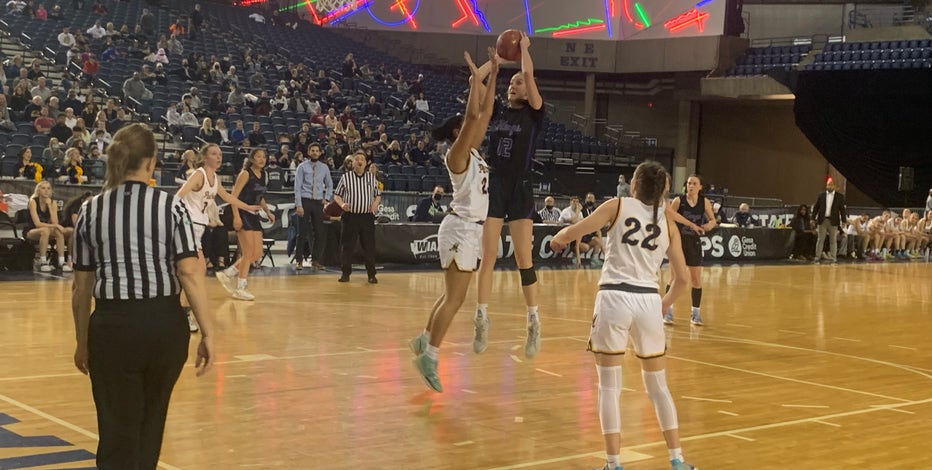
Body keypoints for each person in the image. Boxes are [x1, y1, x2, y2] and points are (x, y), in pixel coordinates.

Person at [70, 123, 214, 470]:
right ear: (150, 163)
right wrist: (208, 332)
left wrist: (82, 341)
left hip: (113, 327)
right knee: (151, 424)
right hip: (164, 327)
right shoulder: (172, 208)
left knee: (117, 429)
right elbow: (190, 273)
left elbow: (81, 287)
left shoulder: (91, 210)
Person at [549, 161, 696, 470]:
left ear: (634, 186)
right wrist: (664, 304)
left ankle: (614, 463)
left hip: (614, 296)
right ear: (663, 192)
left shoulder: (617, 205)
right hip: (647, 299)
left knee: (609, 387)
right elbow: (683, 279)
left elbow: (572, 231)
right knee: (658, 387)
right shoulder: (668, 222)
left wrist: (557, 240)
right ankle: (677, 460)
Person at [409, 49, 499, 393]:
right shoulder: (456, 153)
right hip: (461, 227)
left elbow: (486, 111)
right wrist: (477, 78)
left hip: (465, 229)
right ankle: (430, 355)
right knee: (456, 299)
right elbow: (474, 113)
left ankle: (424, 339)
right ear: (458, 131)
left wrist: (494, 73)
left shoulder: (474, 151)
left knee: (449, 295)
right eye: (467, 125)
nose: (476, 124)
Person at [475, 32, 545, 358]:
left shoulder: (533, 112)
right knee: (487, 256)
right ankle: (481, 317)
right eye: (511, 83)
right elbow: (475, 81)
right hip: (496, 184)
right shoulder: (499, 110)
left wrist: (524, 52)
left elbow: (529, 75)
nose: (512, 85)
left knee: (522, 259)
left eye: (517, 82)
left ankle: (533, 321)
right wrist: (495, 65)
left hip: (521, 186)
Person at [178, 144, 260, 326]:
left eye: (220, 154)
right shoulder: (198, 174)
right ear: (205, 157)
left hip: (199, 228)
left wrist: (248, 207)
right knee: (196, 273)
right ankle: (186, 314)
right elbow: (179, 195)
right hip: (189, 226)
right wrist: (179, 215)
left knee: (197, 273)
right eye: (214, 154)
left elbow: (228, 197)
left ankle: (184, 312)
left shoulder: (214, 178)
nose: (219, 157)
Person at [215, 149, 275, 300]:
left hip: (253, 213)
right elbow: (233, 196)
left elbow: (260, 197)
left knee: (257, 254)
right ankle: (241, 287)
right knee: (248, 253)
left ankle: (228, 273)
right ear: (252, 159)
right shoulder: (245, 173)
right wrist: (236, 217)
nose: (262, 159)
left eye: (264, 156)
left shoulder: (264, 175)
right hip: (241, 212)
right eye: (258, 156)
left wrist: (268, 211)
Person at [664, 174, 716, 326]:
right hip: (678, 242)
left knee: (696, 279)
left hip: (694, 242)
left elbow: (713, 220)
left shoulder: (704, 202)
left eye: (694, 183)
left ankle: (696, 313)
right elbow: (669, 218)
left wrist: (708, 226)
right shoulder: (678, 200)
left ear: (700, 187)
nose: (690, 186)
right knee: (673, 278)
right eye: (688, 183)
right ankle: (667, 310)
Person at [333, 151, 381, 283]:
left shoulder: (371, 178)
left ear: (366, 163)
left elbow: (378, 195)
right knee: (347, 246)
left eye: (362, 159)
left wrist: (375, 205)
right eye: (357, 159)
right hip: (350, 216)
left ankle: (371, 274)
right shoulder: (346, 177)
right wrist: (342, 204)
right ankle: (345, 273)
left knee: (369, 247)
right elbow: (337, 195)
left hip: (366, 217)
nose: (360, 161)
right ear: (353, 163)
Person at [292, 143, 332, 271]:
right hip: (305, 200)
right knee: (302, 232)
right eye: (312, 150)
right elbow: (297, 186)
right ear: (308, 152)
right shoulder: (302, 167)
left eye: (317, 150)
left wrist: (326, 198)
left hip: (318, 202)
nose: (315, 152)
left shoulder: (324, 168)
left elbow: (330, 184)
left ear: (320, 153)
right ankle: (299, 260)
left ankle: (316, 260)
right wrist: (298, 204)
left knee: (319, 232)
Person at [23, 180, 72, 272]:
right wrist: (55, 226)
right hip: (31, 230)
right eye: (43, 188)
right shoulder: (33, 201)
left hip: (47, 230)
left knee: (58, 231)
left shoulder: (53, 203)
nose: (46, 191)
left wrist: (49, 206)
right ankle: (43, 261)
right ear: (38, 190)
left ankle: (61, 262)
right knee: (45, 230)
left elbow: (55, 221)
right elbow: (37, 224)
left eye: (48, 188)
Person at [812, 180, 846, 263]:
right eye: (828, 185)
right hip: (822, 220)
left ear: (834, 186)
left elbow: (842, 210)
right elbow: (816, 207)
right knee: (820, 239)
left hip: (833, 221)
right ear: (826, 186)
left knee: (833, 240)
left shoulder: (840, 196)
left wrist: (844, 220)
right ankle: (817, 256)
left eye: (831, 185)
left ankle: (834, 257)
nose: (829, 186)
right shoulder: (821, 195)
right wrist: (813, 218)